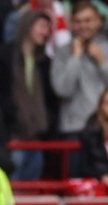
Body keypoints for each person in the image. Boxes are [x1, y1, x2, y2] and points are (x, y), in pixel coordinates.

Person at [0, 9, 58, 181]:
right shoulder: (2, 55)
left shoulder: (45, 62)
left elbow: (50, 100)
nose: (45, 32)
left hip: (37, 138)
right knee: (12, 186)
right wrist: (9, 117)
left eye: (48, 28)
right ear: (27, 26)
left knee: (32, 189)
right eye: (42, 27)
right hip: (12, 136)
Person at [50, 1, 108, 177]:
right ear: (71, 23)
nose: (83, 26)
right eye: (78, 21)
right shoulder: (62, 52)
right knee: (76, 188)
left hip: (104, 131)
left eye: (88, 20)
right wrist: (74, 58)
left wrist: (102, 62)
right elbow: (62, 90)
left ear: (99, 20)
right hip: (74, 130)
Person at [80, 88, 108, 186]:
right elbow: (85, 167)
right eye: (107, 103)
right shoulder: (91, 132)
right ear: (100, 106)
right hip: (98, 185)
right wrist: (102, 176)